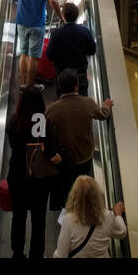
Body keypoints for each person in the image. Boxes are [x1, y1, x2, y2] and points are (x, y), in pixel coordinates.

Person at [6, 85, 61, 259]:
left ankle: (17, 252)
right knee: (39, 220)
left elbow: (14, 145)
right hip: (38, 180)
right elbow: (50, 153)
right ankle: (36, 254)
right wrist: (60, 159)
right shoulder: (42, 123)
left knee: (18, 216)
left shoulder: (14, 122)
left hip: (17, 176)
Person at [45, 69, 113, 206]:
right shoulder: (88, 103)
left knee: (65, 186)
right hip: (84, 156)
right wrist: (107, 105)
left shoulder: (52, 109)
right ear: (76, 86)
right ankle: (81, 206)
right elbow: (102, 115)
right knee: (82, 184)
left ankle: (67, 211)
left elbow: (45, 134)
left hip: (63, 159)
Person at [1, 0, 64, 87]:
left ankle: (23, 83)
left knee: (23, 54)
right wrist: (61, 16)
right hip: (37, 24)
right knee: (34, 57)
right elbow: (53, 1)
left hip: (22, 22)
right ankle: (30, 85)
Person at [53, 176, 126, 259]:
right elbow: (122, 232)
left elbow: (61, 255)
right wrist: (118, 215)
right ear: (97, 195)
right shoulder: (106, 215)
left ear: (74, 195)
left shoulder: (69, 219)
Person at [47, 2, 96, 95]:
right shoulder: (85, 31)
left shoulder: (56, 34)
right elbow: (92, 51)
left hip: (62, 75)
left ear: (63, 16)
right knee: (82, 101)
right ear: (77, 15)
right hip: (80, 75)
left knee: (63, 102)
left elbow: (50, 55)